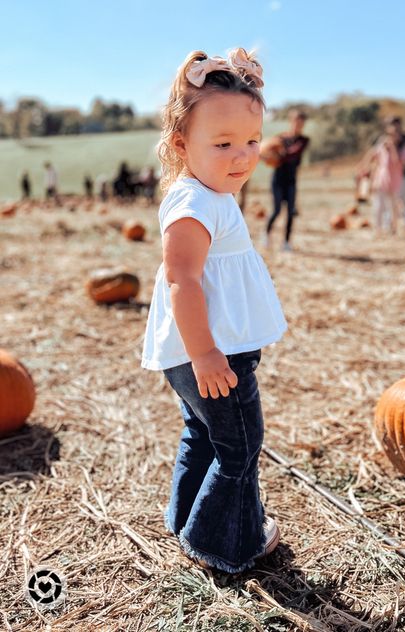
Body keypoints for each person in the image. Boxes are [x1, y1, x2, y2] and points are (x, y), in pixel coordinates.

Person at [141, 48, 287, 573]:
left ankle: (185, 518)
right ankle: (224, 542)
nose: (242, 156)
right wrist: (205, 353)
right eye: (222, 143)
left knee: (202, 432)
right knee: (241, 447)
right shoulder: (196, 204)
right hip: (211, 352)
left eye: (251, 141)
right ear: (181, 143)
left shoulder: (207, 193)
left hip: (205, 350)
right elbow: (182, 280)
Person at [264, 110, 309, 251]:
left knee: (290, 212)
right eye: (296, 121)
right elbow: (266, 150)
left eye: (301, 123)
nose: (298, 125)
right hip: (277, 179)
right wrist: (266, 154)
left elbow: (293, 153)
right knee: (276, 211)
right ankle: (266, 234)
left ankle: (286, 242)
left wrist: (278, 154)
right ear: (291, 121)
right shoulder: (281, 137)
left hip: (291, 180)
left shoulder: (303, 141)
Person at [359, 122, 405, 235]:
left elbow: (398, 163)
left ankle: (393, 228)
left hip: (395, 180)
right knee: (378, 205)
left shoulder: (403, 149)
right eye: (389, 135)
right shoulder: (381, 148)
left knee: (393, 206)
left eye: (394, 135)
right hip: (381, 179)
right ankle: (378, 228)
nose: (391, 138)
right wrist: (364, 167)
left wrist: (393, 148)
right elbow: (371, 155)